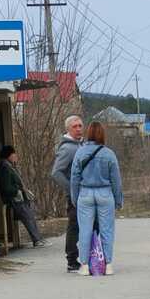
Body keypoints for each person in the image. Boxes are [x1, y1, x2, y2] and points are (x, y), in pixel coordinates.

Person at [70, 122, 123, 276]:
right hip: (105, 194)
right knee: (107, 230)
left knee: (85, 230)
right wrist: (118, 200)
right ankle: (108, 265)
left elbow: (74, 178)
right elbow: (116, 180)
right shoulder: (109, 154)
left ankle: (85, 265)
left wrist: (75, 197)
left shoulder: (80, 153)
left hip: (85, 194)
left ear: (88, 134)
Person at [0, 145, 49, 248]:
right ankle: (37, 240)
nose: (15, 156)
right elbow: (6, 188)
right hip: (13, 198)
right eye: (13, 154)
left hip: (18, 198)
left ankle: (38, 238)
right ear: (8, 155)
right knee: (27, 216)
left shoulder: (10, 166)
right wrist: (18, 190)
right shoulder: (5, 168)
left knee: (30, 215)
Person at [51, 115, 83, 272]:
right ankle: (71, 260)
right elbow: (56, 172)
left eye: (80, 126)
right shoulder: (68, 148)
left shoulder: (79, 144)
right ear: (68, 129)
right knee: (74, 226)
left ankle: (85, 257)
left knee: (82, 226)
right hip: (74, 196)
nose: (78, 129)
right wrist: (71, 189)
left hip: (83, 195)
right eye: (75, 126)